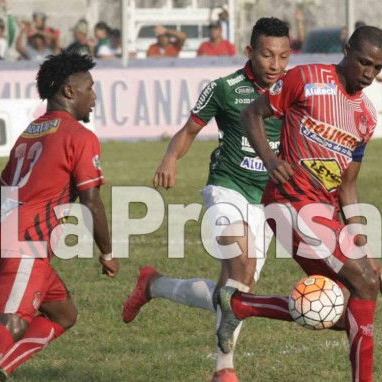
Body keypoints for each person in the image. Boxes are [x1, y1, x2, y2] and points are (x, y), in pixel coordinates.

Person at [215, 25, 382, 382]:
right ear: (346, 50)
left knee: (345, 313)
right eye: (364, 63)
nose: (369, 74)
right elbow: (252, 115)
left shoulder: (366, 117)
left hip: (322, 212)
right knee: (366, 285)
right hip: (289, 202)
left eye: (377, 68)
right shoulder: (306, 79)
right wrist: (270, 159)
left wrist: (363, 246)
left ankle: (241, 304)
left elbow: (348, 187)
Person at [123, 17, 291, 382]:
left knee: (233, 293)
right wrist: (170, 158)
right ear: (250, 52)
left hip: (268, 201)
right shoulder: (224, 88)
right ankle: (224, 370)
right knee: (242, 262)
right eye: (267, 55)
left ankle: (154, 284)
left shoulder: (292, 89)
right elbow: (188, 131)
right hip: (226, 188)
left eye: (283, 56)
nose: (275, 65)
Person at [0, 51, 119, 382]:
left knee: (63, 313)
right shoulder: (79, 136)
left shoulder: (31, 132)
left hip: (9, 237)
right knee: (12, 322)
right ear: (69, 91)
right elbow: (91, 199)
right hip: (27, 245)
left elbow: (1, 191)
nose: (94, 96)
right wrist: (107, 252)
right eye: (90, 87)